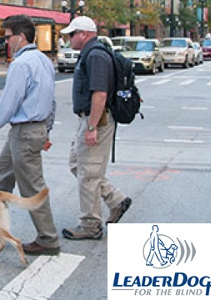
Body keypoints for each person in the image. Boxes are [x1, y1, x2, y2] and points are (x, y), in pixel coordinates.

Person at [0, 15, 60, 256]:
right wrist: (46, 130)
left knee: (32, 187)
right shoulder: (44, 60)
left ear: (21, 36)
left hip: (25, 132)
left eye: (8, 37)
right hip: (30, 130)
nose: (5, 41)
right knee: (3, 175)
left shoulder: (21, 64)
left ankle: (48, 239)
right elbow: (52, 100)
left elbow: (8, 104)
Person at [59, 16, 132, 240]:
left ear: (84, 34)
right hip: (90, 119)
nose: (68, 38)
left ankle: (90, 224)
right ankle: (115, 199)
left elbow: (99, 93)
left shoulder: (96, 55)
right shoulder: (91, 53)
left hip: (96, 120)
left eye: (72, 34)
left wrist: (92, 126)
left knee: (88, 173)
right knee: (77, 165)